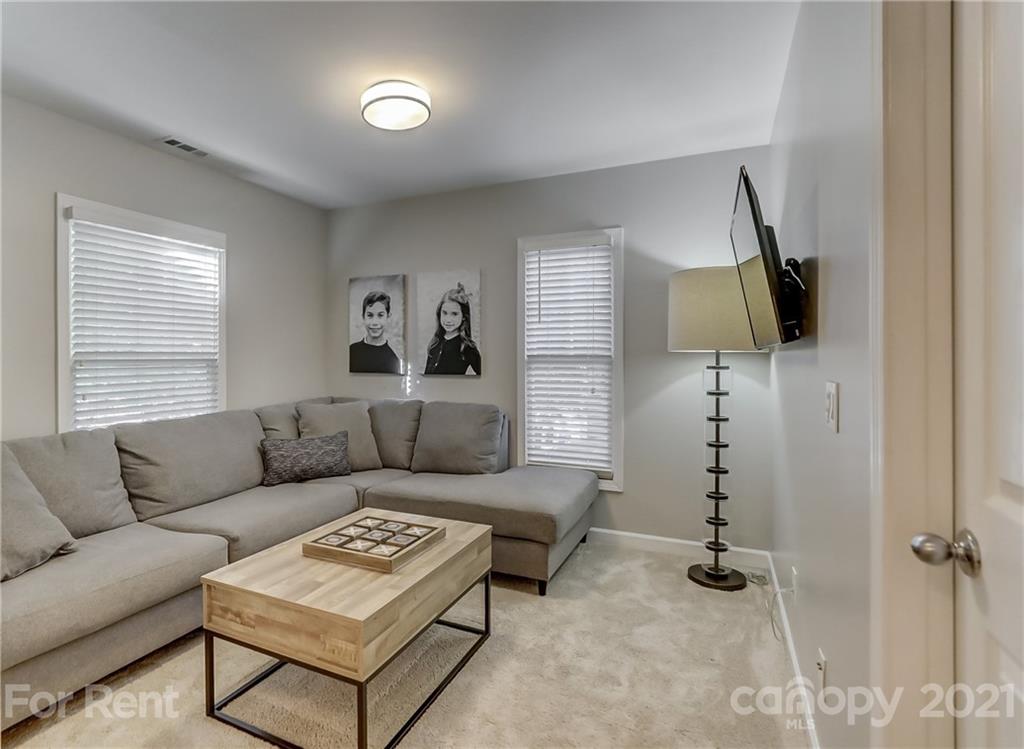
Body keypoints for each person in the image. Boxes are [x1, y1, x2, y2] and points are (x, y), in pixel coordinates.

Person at [424, 283, 481, 375]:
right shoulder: (435, 343)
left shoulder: (468, 348)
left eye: (454, 314)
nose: (448, 320)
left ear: (464, 316)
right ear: (439, 314)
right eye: (445, 313)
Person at [350, 290, 402, 374]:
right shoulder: (352, 351)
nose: (375, 322)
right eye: (370, 315)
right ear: (363, 317)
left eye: (380, 315)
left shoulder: (392, 360)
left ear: (388, 317)